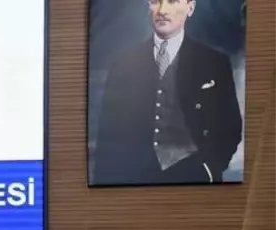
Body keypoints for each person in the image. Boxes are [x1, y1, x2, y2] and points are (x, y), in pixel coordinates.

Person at [92, 0, 242, 185]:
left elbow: (231, 128)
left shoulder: (215, 63)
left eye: (172, 1)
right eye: (156, 2)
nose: (162, 10)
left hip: (194, 176)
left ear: (190, 8)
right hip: (135, 179)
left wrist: (210, 169)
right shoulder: (122, 66)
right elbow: (107, 137)